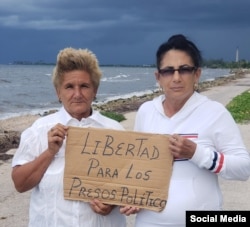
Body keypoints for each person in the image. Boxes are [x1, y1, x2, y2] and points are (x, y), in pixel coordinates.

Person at [123, 34, 250, 226]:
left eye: (184, 70)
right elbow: (140, 167)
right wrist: (134, 196)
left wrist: (197, 153)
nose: (176, 78)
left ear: (196, 74)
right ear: (158, 76)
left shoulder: (215, 113)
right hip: (149, 221)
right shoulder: (146, 111)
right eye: (168, 71)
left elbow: (243, 169)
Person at [11, 47, 127, 227]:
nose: (77, 94)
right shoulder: (39, 130)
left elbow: (132, 185)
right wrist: (49, 152)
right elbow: (20, 184)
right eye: (69, 87)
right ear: (58, 92)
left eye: (84, 86)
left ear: (95, 90)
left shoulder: (115, 131)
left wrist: (113, 203)